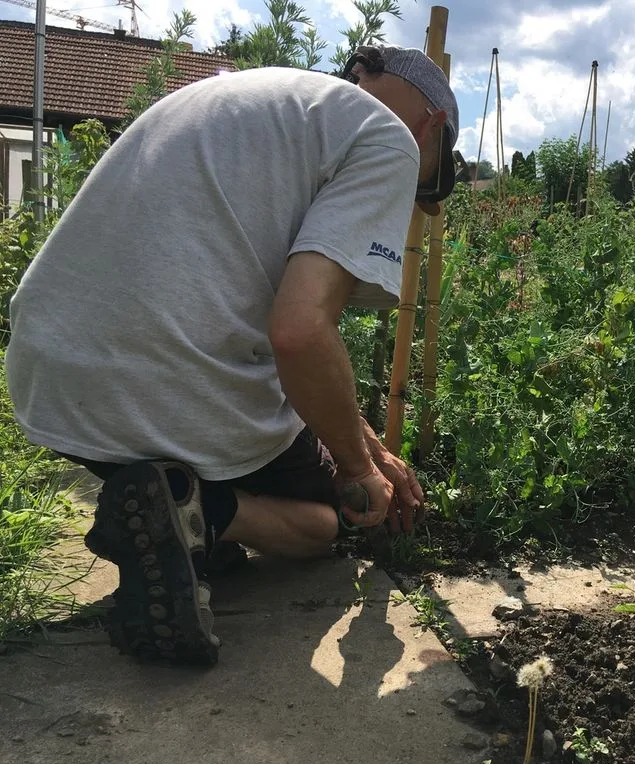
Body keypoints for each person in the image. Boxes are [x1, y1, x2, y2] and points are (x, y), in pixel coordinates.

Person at [4, 45, 460, 666]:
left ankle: (179, 516)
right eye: (424, 180)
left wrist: (369, 444)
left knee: (277, 446)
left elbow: (262, 335)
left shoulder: (261, 100)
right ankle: (204, 510)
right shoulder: (388, 138)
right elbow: (299, 335)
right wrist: (358, 472)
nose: (410, 195)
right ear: (432, 124)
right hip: (171, 379)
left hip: (51, 378)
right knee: (330, 520)